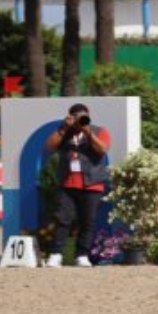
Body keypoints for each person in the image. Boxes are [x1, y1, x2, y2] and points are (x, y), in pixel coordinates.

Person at [44, 103, 110, 267]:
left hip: (92, 183)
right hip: (67, 183)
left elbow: (102, 150)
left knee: (87, 221)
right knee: (63, 219)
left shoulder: (99, 131)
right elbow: (48, 147)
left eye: (84, 117)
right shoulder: (65, 131)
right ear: (71, 117)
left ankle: (82, 255)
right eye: (77, 117)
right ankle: (56, 255)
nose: (81, 120)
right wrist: (63, 129)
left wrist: (88, 133)